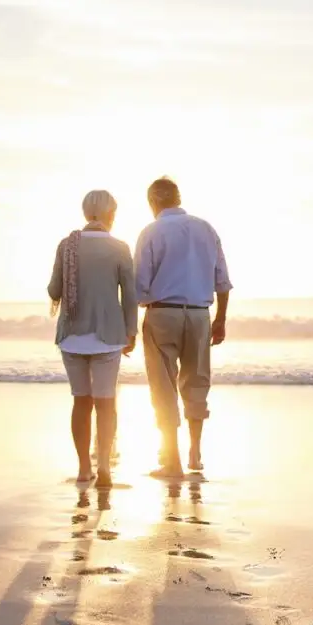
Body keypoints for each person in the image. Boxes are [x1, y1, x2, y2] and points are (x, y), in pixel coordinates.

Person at [134, 177, 231, 479]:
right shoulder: (206, 228)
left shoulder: (151, 232)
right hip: (201, 313)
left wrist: (134, 313)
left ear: (152, 202)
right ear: (178, 198)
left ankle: (172, 460)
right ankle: (195, 452)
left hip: (163, 313)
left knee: (163, 386)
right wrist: (221, 319)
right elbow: (222, 280)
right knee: (197, 382)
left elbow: (139, 284)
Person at [48, 189, 137, 489]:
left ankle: (84, 469)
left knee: (81, 402)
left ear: (86, 213)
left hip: (72, 336)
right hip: (108, 335)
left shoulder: (66, 245)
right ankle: (105, 469)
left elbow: (54, 289)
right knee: (105, 402)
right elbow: (130, 295)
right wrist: (131, 331)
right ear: (111, 214)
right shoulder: (120, 248)